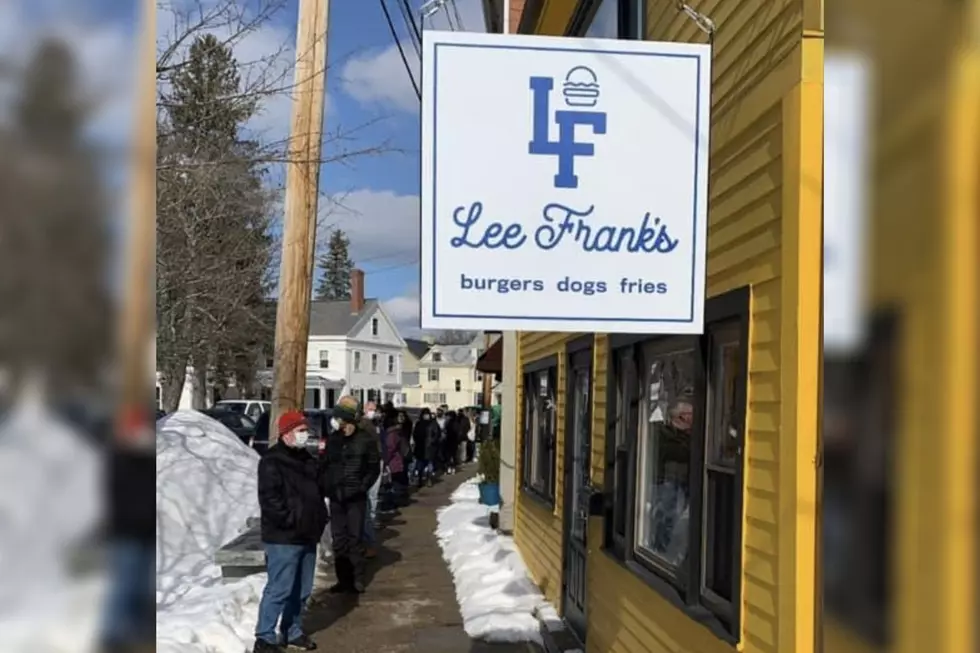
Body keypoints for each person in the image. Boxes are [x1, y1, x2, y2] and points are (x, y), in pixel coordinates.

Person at [253, 411, 327, 652]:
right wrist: (290, 521)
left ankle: (291, 630)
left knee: (302, 590)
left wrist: (319, 519)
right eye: (300, 430)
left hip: (308, 534)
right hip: (284, 537)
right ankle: (264, 637)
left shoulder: (306, 459)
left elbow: (316, 492)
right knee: (280, 588)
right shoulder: (272, 461)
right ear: (286, 434)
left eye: (305, 430)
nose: (305, 434)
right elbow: (270, 499)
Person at [321, 396, 380, 595]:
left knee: (355, 538)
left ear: (348, 421)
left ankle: (357, 579)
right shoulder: (334, 440)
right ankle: (342, 579)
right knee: (339, 540)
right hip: (337, 497)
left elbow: (373, 468)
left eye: (340, 420)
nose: (338, 423)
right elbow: (325, 465)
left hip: (356, 497)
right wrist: (327, 487)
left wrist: (362, 486)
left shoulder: (365, 440)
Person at [359, 400, 383, 559]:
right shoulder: (365, 425)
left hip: (369, 467)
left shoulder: (369, 425)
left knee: (369, 501)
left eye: (374, 409)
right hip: (364, 468)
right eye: (370, 409)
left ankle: (368, 540)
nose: (373, 412)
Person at [382, 407, 410, 501]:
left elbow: (391, 448)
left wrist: (385, 460)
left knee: (395, 482)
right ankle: (400, 497)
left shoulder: (392, 433)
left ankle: (395, 500)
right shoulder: (397, 431)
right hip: (399, 459)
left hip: (395, 460)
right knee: (398, 481)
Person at [412, 408, 440, 487]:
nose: (426, 416)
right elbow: (415, 434)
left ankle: (429, 479)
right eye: (425, 415)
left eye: (427, 415)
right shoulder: (418, 423)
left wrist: (432, 441)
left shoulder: (433, 424)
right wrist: (417, 441)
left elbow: (437, 434)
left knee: (429, 464)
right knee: (420, 465)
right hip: (420, 447)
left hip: (430, 448)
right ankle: (420, 479)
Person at [442, 409, 460, 475]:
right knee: (453, 456)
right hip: (453, 442)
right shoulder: (456, 423)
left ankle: (449, 468)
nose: (447, 417)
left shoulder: (449, 423)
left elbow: (448, 432)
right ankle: (452, 468)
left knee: (448, 456)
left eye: (448, 416)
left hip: (449, 441)